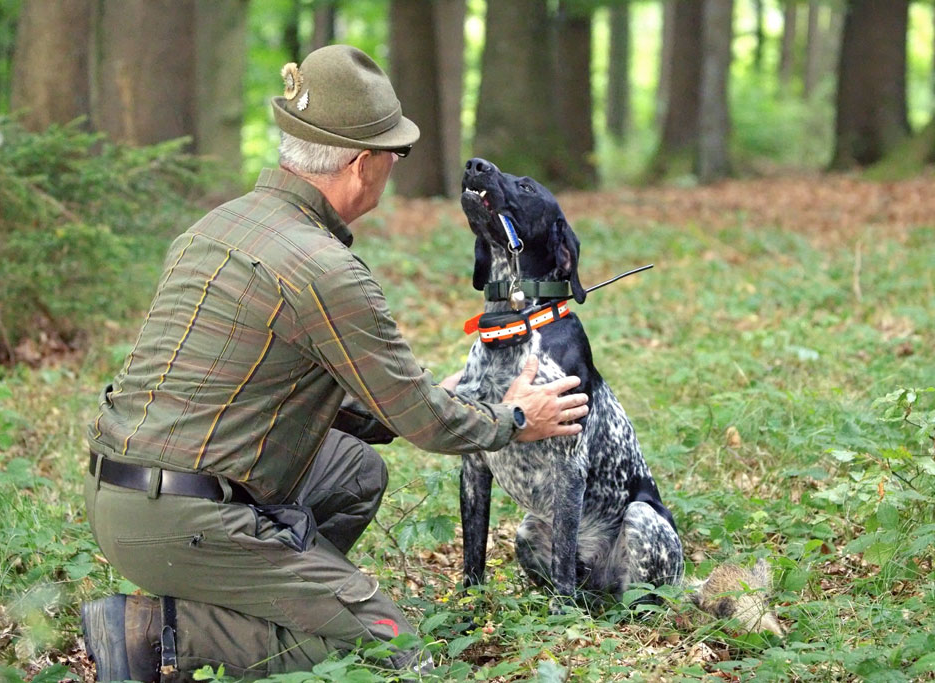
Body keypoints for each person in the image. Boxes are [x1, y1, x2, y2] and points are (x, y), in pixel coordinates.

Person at [80, 44, 589, 682]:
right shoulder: (326, 270)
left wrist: (410, 403)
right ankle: (154, 633)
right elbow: (429, 424)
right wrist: (515, 416)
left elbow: (261, 389)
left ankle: (279, 596)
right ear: (360, 164)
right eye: (394, 155)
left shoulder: (217, 226)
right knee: (389, 649)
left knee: (356, 471)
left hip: (121, 491)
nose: (394, 168)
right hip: (182, 513)